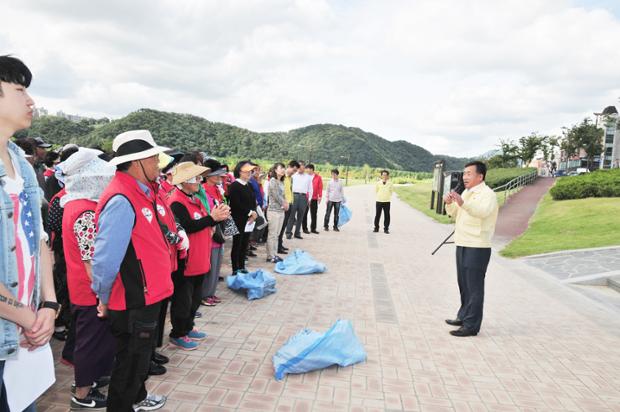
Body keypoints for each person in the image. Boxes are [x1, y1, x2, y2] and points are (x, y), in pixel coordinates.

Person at [91, 130, 172, 411]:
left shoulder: (140, 192)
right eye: (153, 158)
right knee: (130, 365)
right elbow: (105, 259)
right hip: (135, 299)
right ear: (136, 162)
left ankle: (137, 400)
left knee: (139, 360)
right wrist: (102, 297)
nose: (158, 164)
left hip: (148, 294)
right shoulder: (121, 199)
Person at [0, 55, 58, 411]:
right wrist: (25, 316)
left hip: (27, 326)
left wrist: (48, 305)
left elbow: (38, 241)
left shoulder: (20, 162)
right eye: (20, 90)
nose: (31, 101)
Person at [58, 148, 116, 410]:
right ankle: (82, 395)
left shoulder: (72, 204)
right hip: (89, 289)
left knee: (90, 341)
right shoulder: (86, 213)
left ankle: (89, 383)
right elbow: (91, 261)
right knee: (90, 344)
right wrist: (103, 295)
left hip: (81, 287)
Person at [167, 162, 229, 350]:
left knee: (194, 298)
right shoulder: (176, 201)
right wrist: (212, 219)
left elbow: (203, 220)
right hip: (187, 261)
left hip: (200, 258)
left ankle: (188, 327)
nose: (199, 181)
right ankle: (178, 333)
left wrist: (212, 221)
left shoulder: (194, 198)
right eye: (195, 178)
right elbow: (187, 226)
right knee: (183, 300)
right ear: (184, 181)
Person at [443, 161, 498, 337]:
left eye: (469, 173)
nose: (465, 177)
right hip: (462, 242)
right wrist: (449, 203)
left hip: (477, 246)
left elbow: (481, 212)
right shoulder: (467, 192)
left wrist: (462, 203)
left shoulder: (487, 194)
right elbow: (454, 213)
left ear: (480, 176)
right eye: (464, 173)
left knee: (474, 286)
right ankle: (463, 316)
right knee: (464, 284)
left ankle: (471, 326)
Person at [201, 158, 229, 306]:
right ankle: (204, 295)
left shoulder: (218, 190)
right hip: (210, 232)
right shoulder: (203, 190)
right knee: (209, 265)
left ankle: (211, 292)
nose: (220, 177)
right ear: (207, 175)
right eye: (216, 174)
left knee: (217, 264)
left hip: (219, 230)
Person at [228, 161, 257, 275]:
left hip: (249, 219)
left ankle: (242, 266)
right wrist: (249, 212)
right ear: (240, 172)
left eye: (251, 171)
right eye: (247, 171)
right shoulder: (234, 185)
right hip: (238, 219)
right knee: (237, 243)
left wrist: (253, 213)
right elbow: (235, 203)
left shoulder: (249, 185)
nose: (250, 173)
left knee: (245, 243)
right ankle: (235, 268)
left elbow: (253, 201)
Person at [266, 163, 288, 263]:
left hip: (281, 211)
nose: (283, 170)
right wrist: (284, 203)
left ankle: (274, 254)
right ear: (275, 170)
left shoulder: (281, 182)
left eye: (284, 168)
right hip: (273, 211)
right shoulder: (273, 181)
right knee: (272, 234)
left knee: (277, 234)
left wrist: (286, 203)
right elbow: (276, 195)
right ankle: (270, 256)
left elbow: (283, 196)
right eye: (281, 168)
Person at [286, 161, 312, 239]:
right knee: (291, 215)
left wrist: (309, 199)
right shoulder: (293, 176)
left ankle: (297, 233)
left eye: (303, 167)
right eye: (299, 167)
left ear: (304, 168)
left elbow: (310, 189)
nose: (301, 168)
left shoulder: (308, 177)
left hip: (303, 197)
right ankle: (288, 232)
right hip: (294, 196)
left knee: (301, 216)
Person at [278, 160, 297, 254]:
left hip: (289, 204)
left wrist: (291, 202)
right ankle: (278, 246)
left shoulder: (290, 178)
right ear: (289, 166)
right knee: (280, 226)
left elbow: (290, 191)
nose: (293, 173)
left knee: (284, 225)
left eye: (295, 171)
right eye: (293, 170)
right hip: (283, 205)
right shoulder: (281, 177)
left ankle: (280, 244)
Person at [302, 164, 323, 234]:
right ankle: (305, 228)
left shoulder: (318, 177)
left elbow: (320, 187)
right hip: (306, 197)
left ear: (311, 169)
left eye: (307, 169)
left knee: (314, 214)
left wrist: (320, 196)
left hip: (314, 198)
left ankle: (313, 228)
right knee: (304, 213)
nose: (306, 170)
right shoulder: (304, 176)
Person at [373, 169, 393, 234]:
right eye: (383, 175)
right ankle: (376, 228)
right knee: (377, 215)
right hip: (379, 201)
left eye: (386, 175)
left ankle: (386, 229)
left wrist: (386, 196)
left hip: (387, 201)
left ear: (387, 176)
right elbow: (376, 191)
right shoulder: (378, 183)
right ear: (381, 175)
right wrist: (380, 196)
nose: (384, 176)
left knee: (387, 215)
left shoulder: (390, 183)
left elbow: (391, 192)